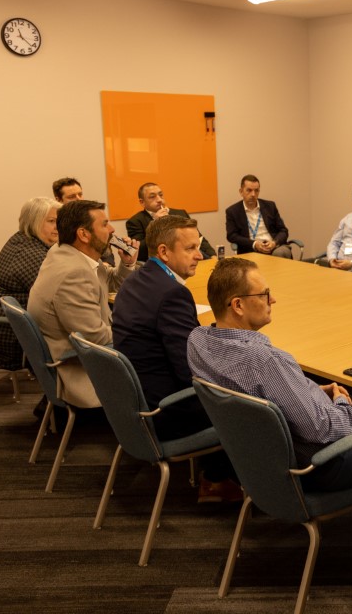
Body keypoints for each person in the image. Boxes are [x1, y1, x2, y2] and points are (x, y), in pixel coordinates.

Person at [187, 258, 352, 491]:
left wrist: (312, 390)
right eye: (264, 294)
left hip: (258, 464)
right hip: (316, 466)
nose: (273, 300)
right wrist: (341, 402)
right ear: (238, 305)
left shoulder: (197, 342)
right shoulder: (267, 361)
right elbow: (322, 430)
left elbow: (266, 392)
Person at [112, 214, 240, 502]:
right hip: (167, 410)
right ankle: (220, 482)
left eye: (199, 246)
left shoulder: (136, 280)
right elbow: (191, 371)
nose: (199, 255)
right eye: (190, 248)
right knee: (253, 399)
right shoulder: (172, 294)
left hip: (138, 401)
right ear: (164, 252)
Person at [27, 200, 139, 408]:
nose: (112, 230)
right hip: (81, 369)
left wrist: (127, 263)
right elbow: (95, 338)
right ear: (84, 234)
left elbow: (110, 282)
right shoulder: (74, 274)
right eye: (105, 224)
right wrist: (142, 333)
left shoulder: (63, 253)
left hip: (73, 351)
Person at [0, 197, 61, 370]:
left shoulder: (22, 239)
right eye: (51, 221)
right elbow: (56, 298)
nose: (58, 226)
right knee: (85, 339)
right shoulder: (30, 254)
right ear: (34, 222)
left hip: (11, 329)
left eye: (59, 221)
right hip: (14, 339)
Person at [125, 182, 217, 261]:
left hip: (189, 258)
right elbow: (139, 252)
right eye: (152, 197)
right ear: (142, 202)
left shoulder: (180, 213)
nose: (159, 200)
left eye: (161, 195)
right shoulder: (135, 221)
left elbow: (198, 237)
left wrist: (212, 255)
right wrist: (156, 223)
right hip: (160, 263)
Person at [224, 174, 292, 258]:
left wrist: (274, 243)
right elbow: (232, 236)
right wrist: (254, 244)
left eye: (256, 191)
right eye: (249, 190)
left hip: (274, 248)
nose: (253, 194)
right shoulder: (233, 211)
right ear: (241, 191)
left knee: (281, 253)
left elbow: (283, 231)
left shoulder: (270, 206)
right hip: (251, 250)